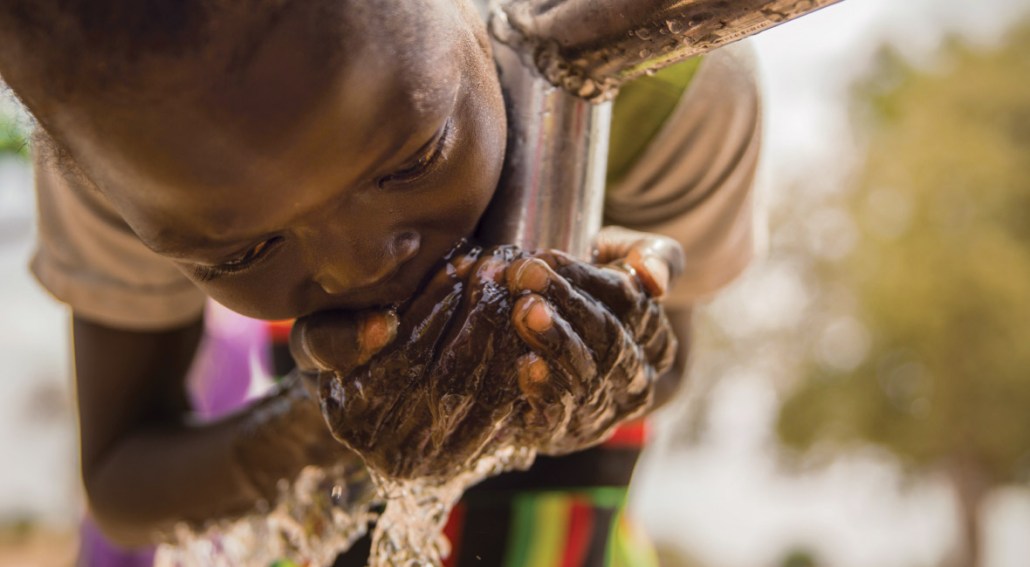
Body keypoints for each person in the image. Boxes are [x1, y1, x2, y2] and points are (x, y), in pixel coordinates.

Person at [0, 0, 759, 565]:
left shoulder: (670, 80)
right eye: (241, 254)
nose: (358, 266)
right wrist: (310, 424)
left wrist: (601, 343)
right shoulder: (120, 141)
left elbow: (668, 361)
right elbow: (124, 483)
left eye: (413, 163)